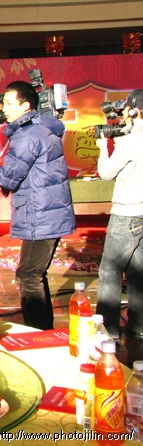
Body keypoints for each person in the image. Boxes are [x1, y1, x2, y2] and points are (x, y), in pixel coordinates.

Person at [0, 81, 76, 330]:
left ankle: (37, 333)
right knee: (34, 274)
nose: (4, 108)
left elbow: (10, 178)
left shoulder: (28, 135)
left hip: (40, 214)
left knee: (28, 276)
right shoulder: (41, 129)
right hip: (45, 212)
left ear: (25, 106)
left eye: (9, 103)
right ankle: (43, 329)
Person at [95, 89, 143, 340]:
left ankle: (107, 331)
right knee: (138, 272)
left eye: (126, 110)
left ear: (134, 111)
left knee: (110, 272)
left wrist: (104, 148)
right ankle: (139, 325)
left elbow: (106, 173)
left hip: (127, 213)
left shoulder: (131, 140)